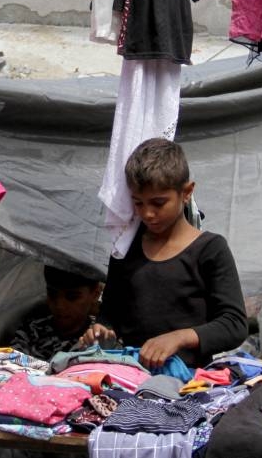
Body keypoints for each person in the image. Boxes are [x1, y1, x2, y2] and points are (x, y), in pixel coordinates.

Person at [81, 138, 247, 369]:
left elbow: (234, 324)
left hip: (188, 379)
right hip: (131, 372)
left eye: (158, 203)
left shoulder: (210, 249)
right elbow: (110, 314)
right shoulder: (125, 248)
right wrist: (100, 330)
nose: (147, 213)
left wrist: (179, 338)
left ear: (186, 192)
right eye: (138, 203)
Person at [9, 265, 103, 361]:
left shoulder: (99, 337)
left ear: (95, 294)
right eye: (52, 294)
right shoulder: (32, 330)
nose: (60, 306)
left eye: (72, 297)